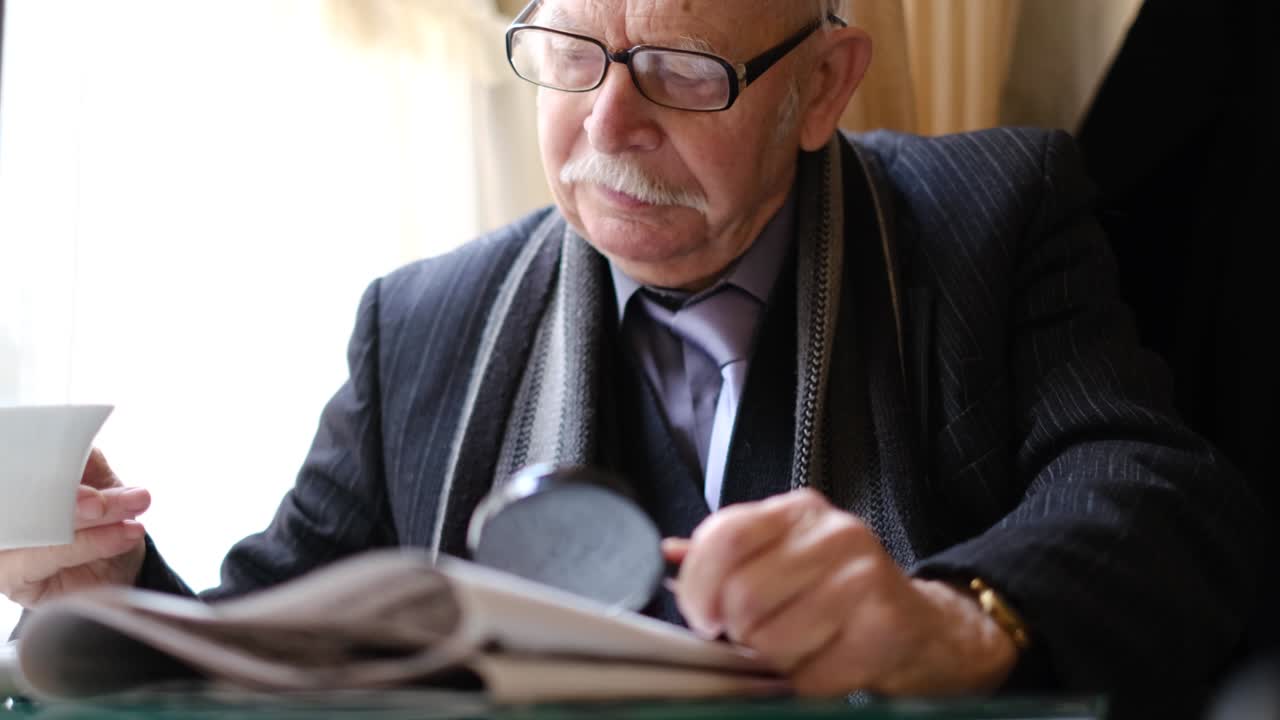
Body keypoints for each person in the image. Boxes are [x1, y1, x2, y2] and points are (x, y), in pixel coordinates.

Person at [0, 0, 1262, 700]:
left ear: (820, 86)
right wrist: (101, 591)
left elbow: (1160, 504)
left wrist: (949, 618)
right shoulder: (422, 321)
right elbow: (277, 632)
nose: (609, 120)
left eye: (677, 68)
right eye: (568, 51)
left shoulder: (986, 216)